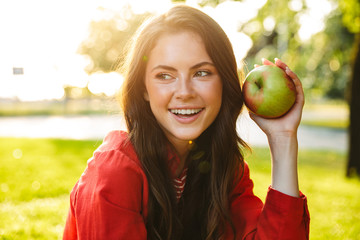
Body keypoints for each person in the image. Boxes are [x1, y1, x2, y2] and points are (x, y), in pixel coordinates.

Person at [63, 5, 310, 240]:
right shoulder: (114, 173)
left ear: (224, 81)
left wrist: (283, 139)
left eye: (201, 72)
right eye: (165, 75)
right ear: (144, 89)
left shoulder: (224, 168)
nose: (184, 91)